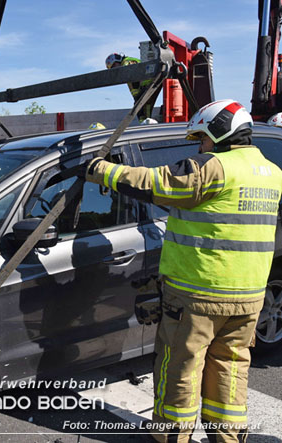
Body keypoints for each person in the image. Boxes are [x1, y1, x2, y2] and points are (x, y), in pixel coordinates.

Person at [82, 99, 282, 442]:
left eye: (202, 138)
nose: (201, 146)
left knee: (181, 369)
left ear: (220, 135)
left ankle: (171, 435)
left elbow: (154, 183)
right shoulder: (272, 174)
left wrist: (101, 170)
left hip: (199, 294)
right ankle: (228, 437)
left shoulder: (213, 168)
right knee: (230, 369)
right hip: (249, 297)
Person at [105, 52, 161, 122]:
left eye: (114, 66)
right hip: (145, 87)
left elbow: (125, 70)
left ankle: (146, 123)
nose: (115, 69)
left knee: (144, 107)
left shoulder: (127, 61)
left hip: (148, 85)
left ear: (118, 60)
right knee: (140, 109)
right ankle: (144, 123)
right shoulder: (126, 68)